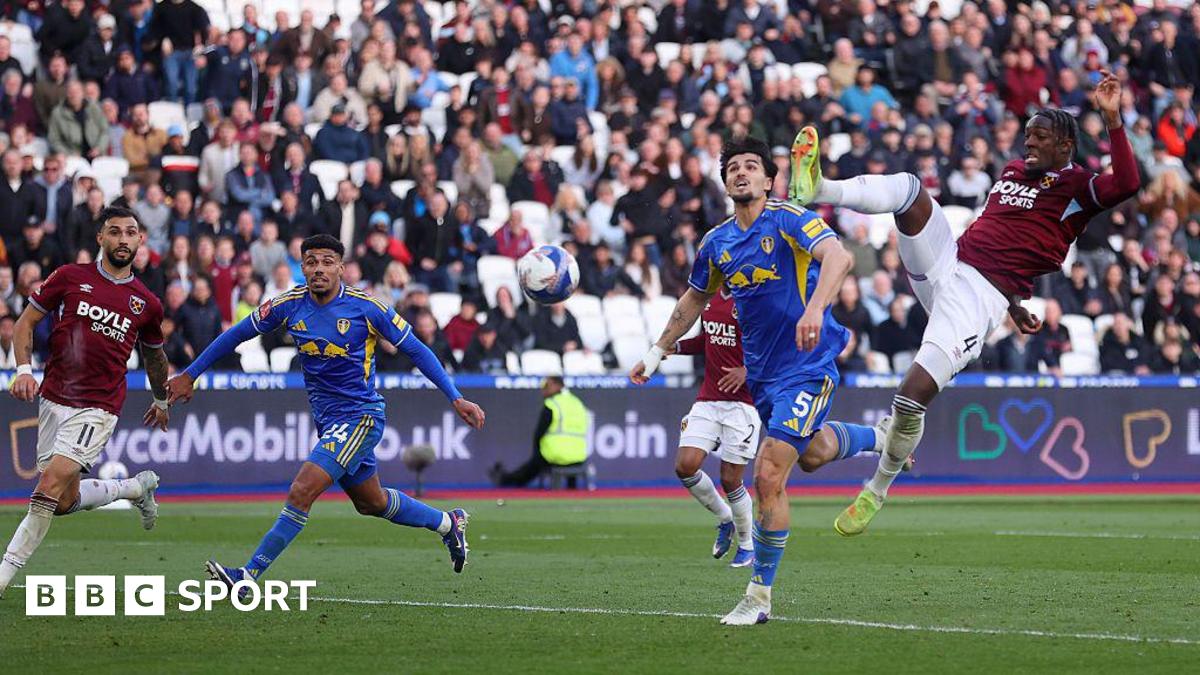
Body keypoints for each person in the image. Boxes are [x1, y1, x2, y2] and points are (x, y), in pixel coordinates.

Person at [789, 71, 1140, 536]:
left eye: (1040, 136)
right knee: (909, 190)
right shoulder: (1013, 171)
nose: (1028, 142)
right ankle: (819, 189)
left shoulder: (1077, 186)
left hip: (976, 303)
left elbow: (1128, 182)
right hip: (949, 262)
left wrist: (1113, 120)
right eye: (1027, 134)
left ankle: (876, 488)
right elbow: (1009, 240)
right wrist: (1017, 302)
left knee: (909, 397)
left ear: (1065, 145)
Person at [630, 137, 890, 626]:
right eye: (733, 167)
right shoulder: (717, 243)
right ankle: (880, 437)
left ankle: (758, 596)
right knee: (811, 454)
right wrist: (658, 349)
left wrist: (815, 309)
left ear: (769, 180)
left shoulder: (788, 218)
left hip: (808, 364)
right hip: (765, 379)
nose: (741, 172)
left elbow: (839, 258)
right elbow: (694, 299)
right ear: (725, 182)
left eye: (751, 165)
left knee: (768, 473)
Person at [167, 234, 486, 592]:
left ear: (341, 268)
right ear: (302, 268)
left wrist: (455, 397)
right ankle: (448, 523)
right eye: (311, 262)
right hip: (329, 421)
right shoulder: (288, 305)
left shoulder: (367, 308)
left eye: (327, 262)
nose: (319, 268)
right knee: (372, 502)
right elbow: (235, 335)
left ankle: (247, 576)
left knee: (301, 490)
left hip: (361, 416)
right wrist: (190, 374)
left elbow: (417, 349)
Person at [0, 206, 169, 599]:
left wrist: (161, 398)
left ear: (140, 240)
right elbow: (25, 323)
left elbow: (154, 356)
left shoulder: (146, 303)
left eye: (130, 232)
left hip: (99, 405)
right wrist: (23, 370)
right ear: (100, 238)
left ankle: (3, 575)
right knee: (61, 502)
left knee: (46, 488)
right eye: (115, 232)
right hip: (53, 397)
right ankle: (133, 488)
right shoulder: (69, 277)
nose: (123, 239)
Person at [664, 287, 759, 567]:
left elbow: (774, 348)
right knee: (685, 466)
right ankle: (725, 518)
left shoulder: (755, 298)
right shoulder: (708, 298)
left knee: (731, 479)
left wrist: (747, 371)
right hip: (708, 399)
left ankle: (747, 545)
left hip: (743, 404)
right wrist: (677, 347)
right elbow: (708, 339)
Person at [490, 377, 588, 488]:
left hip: (555, 456)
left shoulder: (552, 404)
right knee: (542, 459)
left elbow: (539, 433)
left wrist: (536, 452)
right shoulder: (577, 402)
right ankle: (572, 488)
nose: (543, 390)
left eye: (546, 386)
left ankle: (507, 480)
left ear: (558, 385)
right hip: (579, 456)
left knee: (537, 461)